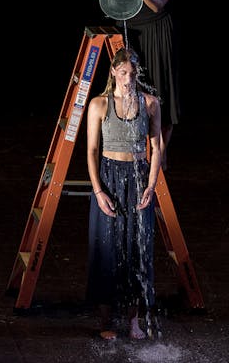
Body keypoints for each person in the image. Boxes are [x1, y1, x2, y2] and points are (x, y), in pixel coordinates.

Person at [85, 47, 162, 340]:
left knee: (137, 247)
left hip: (138, 178)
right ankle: (105, 320)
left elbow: (156, 149)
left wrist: (151, 186)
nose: (128, 78)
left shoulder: (150, 103)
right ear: (114, 72)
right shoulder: (99, 104)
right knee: (107, 246)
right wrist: (98, 190)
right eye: (123, 72)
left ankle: (133, 319)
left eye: (132, 73)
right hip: (109, 177)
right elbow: (92, 151)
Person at [98, 0, 180, 171]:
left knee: (161, 91)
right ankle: (129, 148)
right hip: (129, 28)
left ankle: (162, 153)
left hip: (157, 27)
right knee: (131, 84)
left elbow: (159, 3)